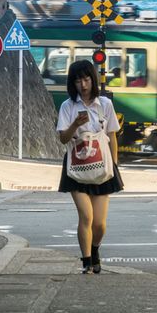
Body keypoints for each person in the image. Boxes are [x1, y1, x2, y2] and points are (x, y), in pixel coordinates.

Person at [57, 60, 123, 274]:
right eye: (78, 81)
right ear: (72, 83)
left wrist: (114, 164)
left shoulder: (105, 104)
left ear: (92, 80)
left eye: (86, 79)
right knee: (86, 216)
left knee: (100, 224)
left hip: (102, 168)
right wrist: (75, 124)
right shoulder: (68, 106)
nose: (83, 85)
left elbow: (112, 136)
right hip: (77, 168)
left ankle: (95, 250)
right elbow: (63, 139)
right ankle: (86, 261)